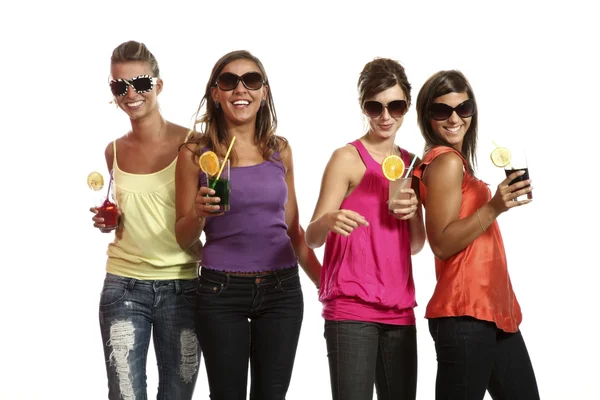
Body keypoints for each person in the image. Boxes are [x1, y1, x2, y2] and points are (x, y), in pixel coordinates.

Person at [174, 49, 321, 400]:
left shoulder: (279, 150)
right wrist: (198, 212)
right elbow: (183, 236)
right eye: (229, 81)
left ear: (264, 92)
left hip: (282, 290)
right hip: (220, 292)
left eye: (251, 81)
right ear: (216, 93)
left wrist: (326, 283)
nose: (241, 90)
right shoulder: (196, 154)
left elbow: (294, 230)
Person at [412, 69, 540, 399]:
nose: (455, 118)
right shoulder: (446, 162)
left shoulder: (457, 164)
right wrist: (494, 206)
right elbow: (440, 242)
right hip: (466, 311)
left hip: (493, 312)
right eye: (442, 110)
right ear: (428, 116)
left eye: (463, 108)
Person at [305, 58, 426, 400]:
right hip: (351, 308)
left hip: (399, 311)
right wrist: (328, 221)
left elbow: (416, 245)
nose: (386, 117)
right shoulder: (346, 158)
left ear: (407, 107)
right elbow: (310, 238)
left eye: (396, 106)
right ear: (364, 107)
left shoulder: (412, 163)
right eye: (376, 107)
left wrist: (414, 212)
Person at [91, 40, 201, 400]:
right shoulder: (114, 150)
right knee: (124, 394)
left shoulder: (194, 145)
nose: (130, 94)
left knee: (177, 394)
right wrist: (111, 220)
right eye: (119, 86)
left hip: (182, 286)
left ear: (158, 85)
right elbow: (131, 213)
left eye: (139, 83)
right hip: (124, 286)